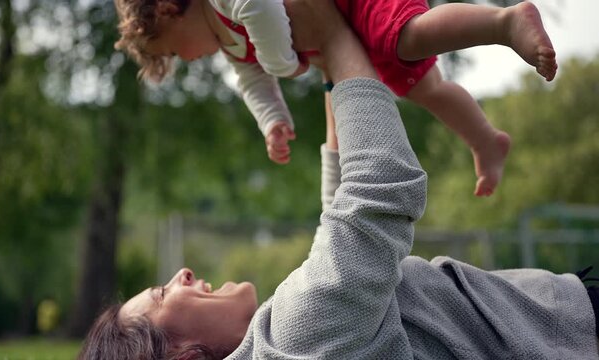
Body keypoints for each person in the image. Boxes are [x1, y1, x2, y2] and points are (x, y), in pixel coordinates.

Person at [80, 1, 597, 359]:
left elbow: (345, 249)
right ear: (185, 357)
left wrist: (334, 65)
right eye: (163, 294)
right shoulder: (295, 342)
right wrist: (329, 36)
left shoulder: (284, 342)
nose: (183, 273)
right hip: (576, 333)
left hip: (568, 319)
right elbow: (375, 195)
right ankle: (502, 25)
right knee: (408, 42)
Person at [113, 0, 557, 197]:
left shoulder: (223, 3)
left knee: (407, 37)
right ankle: (485, 140)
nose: (185, 59)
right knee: (422, 86)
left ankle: (503, 23)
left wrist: (284, 62)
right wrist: (273, 120)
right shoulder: (229, 45)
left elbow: (261, 8)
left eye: (173, 50)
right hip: (345, 20)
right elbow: (253, 83)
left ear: (169, 10)